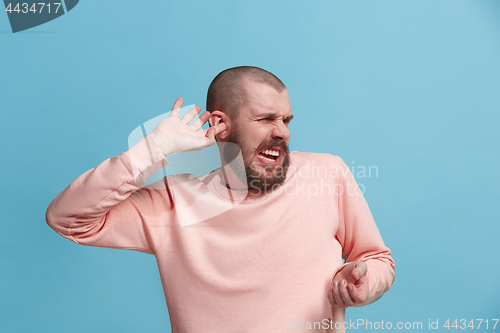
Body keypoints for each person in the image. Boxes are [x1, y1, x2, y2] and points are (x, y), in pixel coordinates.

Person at [46, 66, 395, 332]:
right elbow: (67, 219)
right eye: (265, 119)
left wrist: (365, 284)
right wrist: (152, 150)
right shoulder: (173, 203)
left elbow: (376, 258)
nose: (283, 132)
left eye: (286, 120)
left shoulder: (326, 173)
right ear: (220, 125)